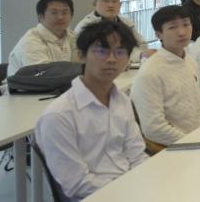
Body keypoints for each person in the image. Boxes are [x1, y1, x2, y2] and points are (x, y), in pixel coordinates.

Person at [35, 21, 146, 201]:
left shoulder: (122, 101)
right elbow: (77, 184)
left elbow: (137, 155)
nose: (111, 59)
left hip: (133, 189)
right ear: (81, 56)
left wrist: (147, 184)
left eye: (120, 52)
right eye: (102, 51)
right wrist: (127, 192)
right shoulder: (58, 115)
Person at [129, 5, 200, 149]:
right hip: (174, 148)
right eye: (172, 27)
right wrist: (195, 144)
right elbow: (154, 129)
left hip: (199, 140)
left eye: (186, 24)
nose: (182, 32)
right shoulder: (150, 73)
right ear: (158, 34)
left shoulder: (190, 61)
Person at [74, 0, 152, 61]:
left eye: (114, 1)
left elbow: (142, 44)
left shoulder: (126, 22)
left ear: (120, 5)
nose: (111, 5)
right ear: (94, 4)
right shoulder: (86, 26)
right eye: (105, 1)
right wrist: (139, 55)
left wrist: (142, 55)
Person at [8, 0, 78, 76]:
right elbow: (43, 75)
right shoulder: (31, 41)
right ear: (41, 17)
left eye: (65, 12)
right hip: (29, 83)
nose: (60, 17)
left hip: (62, 82)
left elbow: (82, 65)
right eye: (54, 13)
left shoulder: (72, 37)